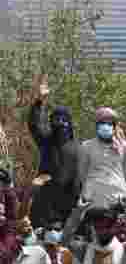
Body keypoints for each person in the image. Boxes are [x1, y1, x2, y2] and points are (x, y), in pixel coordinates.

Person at [27, 77, 79, 226]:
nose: (61, 123)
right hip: (44, 205)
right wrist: (39, 102)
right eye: (56, 119)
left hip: (67, 209)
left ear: (70, 123)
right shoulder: (47, 140)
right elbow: (35, 124)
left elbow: (79, 178)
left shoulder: (78, 147)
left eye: (64, 119)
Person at [77, 107, 126, 210]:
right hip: (92, 200)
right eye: (102, 123)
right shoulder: (86, 146)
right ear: (97, 125)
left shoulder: (124, 146)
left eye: (109, 123)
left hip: (118, 199)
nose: (105, 126)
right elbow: (82, 173)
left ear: (114, 126)